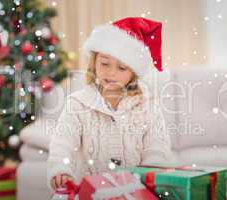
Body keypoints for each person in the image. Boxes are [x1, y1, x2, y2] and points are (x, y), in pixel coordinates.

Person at [47, 17, 173, 190]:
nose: (111, 73)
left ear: (133, 73)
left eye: (121, 68)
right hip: (90, 191)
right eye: (105, 63)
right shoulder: (77, 104)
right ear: (94, 62)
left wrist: (150, 177)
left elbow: (157, 148)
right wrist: (60, 169)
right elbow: (62, 144)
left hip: (135, 191)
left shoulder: (147, 105)